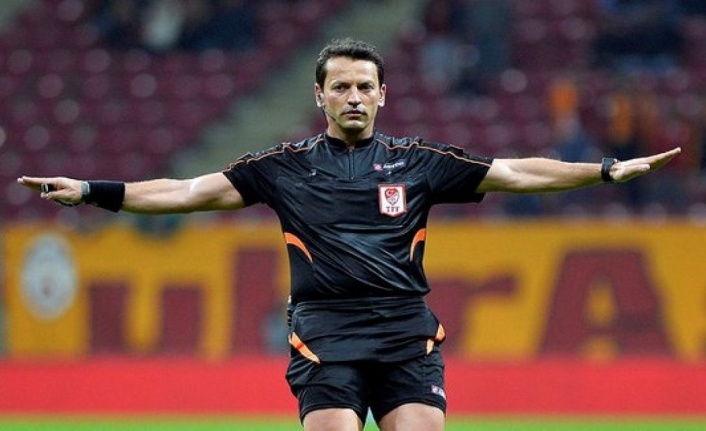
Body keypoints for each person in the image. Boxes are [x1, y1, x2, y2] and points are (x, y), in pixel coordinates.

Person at [18, 38, 680, 431]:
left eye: (365, 85)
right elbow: (187, 192)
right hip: (325, 338)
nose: (354, 96)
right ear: (320, 96)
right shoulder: (282, 168)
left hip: (405, 335)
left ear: (384, 94)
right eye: (341, 86)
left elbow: (517, 173)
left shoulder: (419, 162)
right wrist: (93, 191)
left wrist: (603, 169)